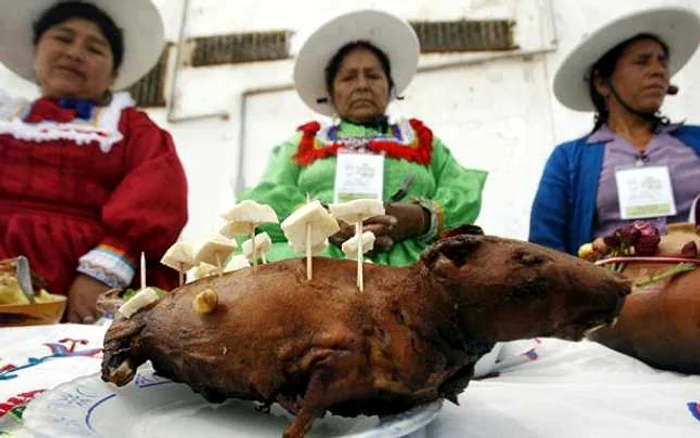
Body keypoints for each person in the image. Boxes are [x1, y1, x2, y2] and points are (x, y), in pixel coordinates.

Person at [239, 10, 487, 266]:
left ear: (390, 86)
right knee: (260, 262)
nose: (362, 85)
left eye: (373, 75)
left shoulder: (423, 141)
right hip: (320, 262)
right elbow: (263, 203)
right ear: (330, 92)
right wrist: (323, 222)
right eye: (348, 77)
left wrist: (418, 217)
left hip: (412, 265)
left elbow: (463, 192)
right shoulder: (303, 143)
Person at [0, 0, 188, 323]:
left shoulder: (130, 128)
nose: (74, 53)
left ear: (114, 72)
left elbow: (157, 193)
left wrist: (103, 271)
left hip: (85, 285)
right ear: (36, 50)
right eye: (62, 38)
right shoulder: (6, 121)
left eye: (95, 48)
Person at [529, 7, 700, 255]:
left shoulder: (696, 141)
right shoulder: (568, 160)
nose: (658, 70)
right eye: (642, 61)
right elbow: (545, 250)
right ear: (601, 82)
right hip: (613, 291)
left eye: (662, 61)